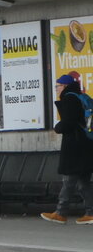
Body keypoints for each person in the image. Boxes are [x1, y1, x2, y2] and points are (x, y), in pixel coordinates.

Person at [41, 73, 93, 224]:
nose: (56, 89)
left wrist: (58, 127)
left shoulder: (69, 98)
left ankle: (60, 212)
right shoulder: (80, 96)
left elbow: (69, 122)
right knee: (83, 183)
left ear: (64, 86)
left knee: (69, 180)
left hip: (75, 146)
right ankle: (90, 213)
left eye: (57, 86)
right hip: (86, 144)